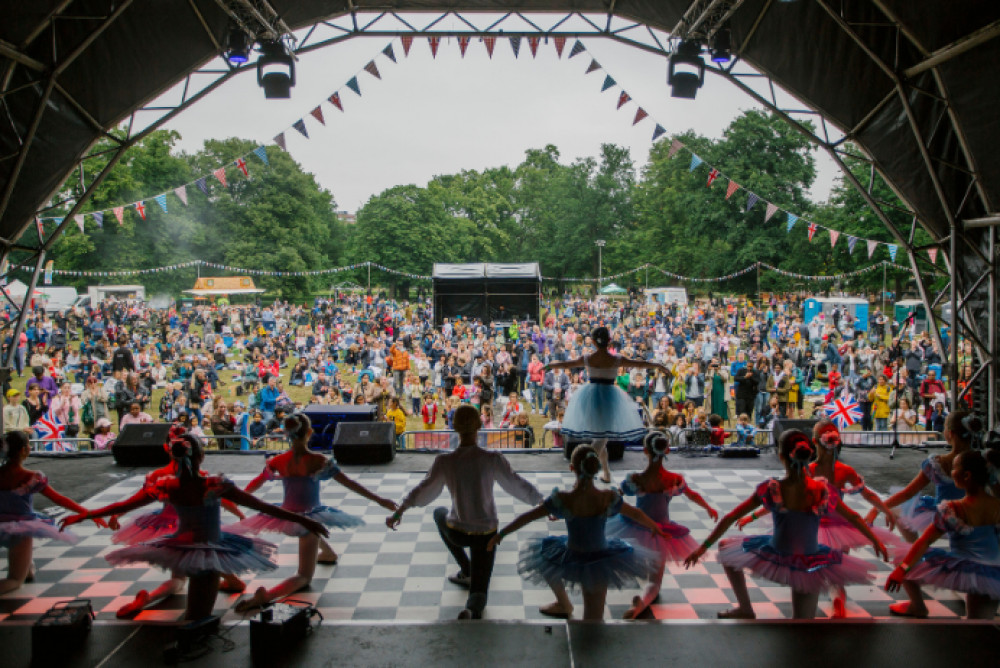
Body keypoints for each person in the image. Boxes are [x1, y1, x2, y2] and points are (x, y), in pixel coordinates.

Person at [60, 434, 329, 621]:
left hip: (178, 546)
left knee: (186, 597)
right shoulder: (213, 484)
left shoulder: (166, 485)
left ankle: (163, 605)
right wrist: (305, 519)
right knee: (197, 618)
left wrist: (84, 515)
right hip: (208, 551)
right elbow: (263, 506)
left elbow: (122, 505)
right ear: (202, 456)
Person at [685, 429, 888, 620]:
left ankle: (745, 607)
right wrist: (876, 540)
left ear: (781, 456)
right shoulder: (821, 490)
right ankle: (752, 612)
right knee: (802, 623)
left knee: (725, 546)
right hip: (809, 561)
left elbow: (729, 517)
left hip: (777, 553)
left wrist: (702, 548)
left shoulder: (773, 488)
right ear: (807, 455)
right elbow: (853, 517)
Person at [388, 404, 544, 620]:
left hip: (457, 531)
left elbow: (423, 490)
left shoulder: (444, 461)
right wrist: (541, 501)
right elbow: (516, 484)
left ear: (454, 427)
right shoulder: (492, 459)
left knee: (439, 513)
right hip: (486, 536)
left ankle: (466, 569)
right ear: (479, 426)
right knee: (479, 591)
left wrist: (400, 511)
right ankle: (472, 608)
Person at [232, 413, 397, 612]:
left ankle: (327, 553)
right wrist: (379, 500)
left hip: (286, 514)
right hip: (307, 519)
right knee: (304, 576)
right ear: (309, 432)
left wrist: (238, 496)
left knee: (315, 538)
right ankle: (265, 596)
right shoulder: (317, 460)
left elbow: (257, 482)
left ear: (286, 434)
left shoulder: (279, 460)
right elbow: (350, 484)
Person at [739, 419, 901, 618]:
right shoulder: (811, 470)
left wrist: (885, 510)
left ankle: (834, 601)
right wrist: (753, 516)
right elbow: (783, 500)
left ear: (815, 442)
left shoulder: (839, 470)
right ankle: (814, 603)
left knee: (834, 570)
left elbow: (867, 495)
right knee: (820, 568)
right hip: (816, 525)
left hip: (836, 526)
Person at [490, 445, 663, 621]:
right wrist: (654, 526)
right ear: (596, 468)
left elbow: (527, 517)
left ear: (572, 468)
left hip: (573, 554)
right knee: (594, 617)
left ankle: (564, 603)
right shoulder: (606, 498)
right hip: (600, 558)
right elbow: (636, 513)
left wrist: (502, 534)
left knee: (546, 556)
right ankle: (573, 612)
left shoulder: (564, 499)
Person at [607, 431, 719, 619]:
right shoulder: (673, 479)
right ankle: (641, 604)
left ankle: (637, 587)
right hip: (660, 532)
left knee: (633, 558)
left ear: (645, 451)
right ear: (667, 450)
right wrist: (708, 507)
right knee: (655, 583)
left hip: (635, 528)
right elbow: (692, 495)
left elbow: (617, 496)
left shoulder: (636, 479)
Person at [886, 450, 1000, 619]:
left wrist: (902, 570)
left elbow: (924, 542)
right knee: (979, 622)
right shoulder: (997, 505)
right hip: (992, 573)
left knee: (902, 558)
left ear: (966, 475)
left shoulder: (953, 509)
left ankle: (917, 606)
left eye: (954, 468)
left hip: (962, 567)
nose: (951, 472)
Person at [547, 326, 668, 484]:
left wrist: (550, 366)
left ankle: (594, 471)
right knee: (601, 438)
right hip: (609, 399)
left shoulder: (588, 358)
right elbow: (640, 362)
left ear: (594, 342)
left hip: (590, 399)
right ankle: (593, 471)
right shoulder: (616, 359)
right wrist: (658, 366)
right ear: (609, 341)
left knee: (600, 438)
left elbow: (566, 364)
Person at [0, 431, 106, 595]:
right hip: (21, 528)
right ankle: (20, 572)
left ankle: (25, 568)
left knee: (28, 571)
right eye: (28, 444)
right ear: (23, 450)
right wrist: (88, 513)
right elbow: (59, 499)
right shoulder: (30, 477)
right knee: (14, 580)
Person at [870, 412, 978, 542]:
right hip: (979, 519)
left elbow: (907, 494)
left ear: (950, 434)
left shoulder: (937, 464)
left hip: (944, 521)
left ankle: (915, 550)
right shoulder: (983, 462)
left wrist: (878, 508)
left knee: (898, 509)